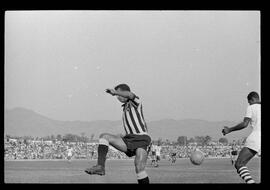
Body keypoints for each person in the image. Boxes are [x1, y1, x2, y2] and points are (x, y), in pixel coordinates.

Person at [85, 84, 151, 184]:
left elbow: (129, 94)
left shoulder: (136, 102)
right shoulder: (125, 107)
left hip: (141, 139)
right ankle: (100, 167)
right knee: (104, 137)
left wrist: (115, 92)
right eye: (117, 95)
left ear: (124, 92)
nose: (117, 97)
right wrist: (124, 135)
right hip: (129, 139)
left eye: (119, 94)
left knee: (139, 168)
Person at [222, 91, 261, 184]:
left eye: (249, 102)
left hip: (257, 137)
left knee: (239, 164)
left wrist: (229, 130)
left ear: (252, 99)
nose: (249, 104)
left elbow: (245, 124)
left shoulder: (251, 107)